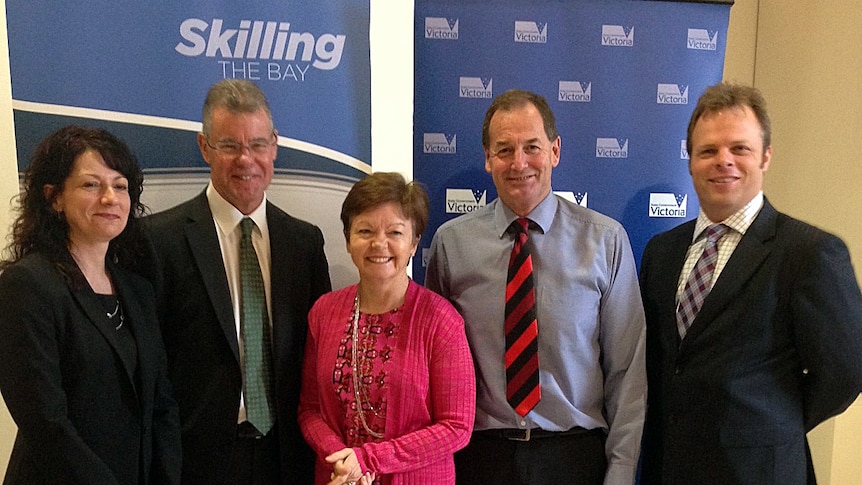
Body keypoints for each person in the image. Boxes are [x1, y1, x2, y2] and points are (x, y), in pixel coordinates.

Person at [638, 82, 862, 484]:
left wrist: (771, 424)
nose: (723, 160)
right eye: (708, 150)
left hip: (760, 472)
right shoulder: (662, 252)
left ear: (765, 157)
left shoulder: (809, 253)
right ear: (690, 161)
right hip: (667, 469)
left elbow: (847, 371)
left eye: (739, 148)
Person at [425, 89, 646, 484]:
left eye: (532, 147)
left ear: (555, 151)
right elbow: (434, 368)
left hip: (574, 459)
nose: (519, 163)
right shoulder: (450, 245)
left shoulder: (605, 241)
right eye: (504, 149)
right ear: (487, 158)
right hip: (480, 459)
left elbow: (627, 374)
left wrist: (622, 471)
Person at [143, 79, 332, 484]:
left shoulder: (304, 242)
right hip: (197, 461)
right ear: (204, 146)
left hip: (287, 457)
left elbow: (320, 355)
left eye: (258, 144)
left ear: (275, 146)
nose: (246, 159)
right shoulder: (160, 240)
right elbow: (149, 365)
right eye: (229, 145)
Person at [0, 126, 181, 484]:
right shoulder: (27, 285)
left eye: (120, 185)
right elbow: (45, 423)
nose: (110, 197)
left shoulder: (138, 291)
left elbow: (162, 405)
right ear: (54, 197)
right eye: (91, 185)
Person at [298, 172, 475, 485]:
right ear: (348, 239)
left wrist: (367, 460)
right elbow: (310, 411)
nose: (379, 243)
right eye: (365, 230)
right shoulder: (323, 313)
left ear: (414, 242)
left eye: (394, 232)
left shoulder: (441, 320)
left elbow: (457, 426)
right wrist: (342, 459)